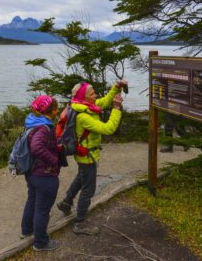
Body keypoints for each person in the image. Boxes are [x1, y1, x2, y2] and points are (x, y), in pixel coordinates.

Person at [57, 81, 125, 235]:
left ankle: (66, 203)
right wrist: (116, 109)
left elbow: (105, 100)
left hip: (84, 155)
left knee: (81, 178)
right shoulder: (83, 117)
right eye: (92, 93)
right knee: (88, 189)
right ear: (84, 97)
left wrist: (116, 87)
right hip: (87, 156)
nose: (95, 95)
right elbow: (108, 129)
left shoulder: (85, 106)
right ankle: (80, 223)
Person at [21, 95, 62, 251]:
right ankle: (41, 243)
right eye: (56, 108)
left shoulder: (32, 121)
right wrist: (54, 160)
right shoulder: (44, 127)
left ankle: (26, 231)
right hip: (44, 174)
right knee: (42, 208)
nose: (57, 111)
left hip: (31, 172)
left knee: (32, 200)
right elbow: (37, 148)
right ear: (50, 111)